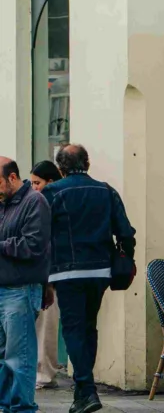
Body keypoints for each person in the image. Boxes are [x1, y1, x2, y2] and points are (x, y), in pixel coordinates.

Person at [43, 145, 136, 413]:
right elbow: (126, 233)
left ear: (60, 168)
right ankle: (83, 392)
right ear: (88, 163)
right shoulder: (106, 191)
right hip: (100, 271)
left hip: (66, 271)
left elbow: (43, 234)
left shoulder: (52, 192)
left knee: (72, 328)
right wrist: (124, 258)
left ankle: (88, 389)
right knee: (89, 326)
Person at [0, 159, 51, 413]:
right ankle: (6, 405)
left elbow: (33, 246)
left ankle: (21, 408)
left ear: (12, 178)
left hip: (19, 289)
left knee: (19, 356)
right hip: (4, 288)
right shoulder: (4, 203)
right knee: (3, 358)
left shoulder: (35, 202)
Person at [29, 161, 62, 391]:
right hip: (43, 272)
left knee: (47, 324)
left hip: (52, 273)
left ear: (50, 182)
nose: (34, 188)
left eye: (37, 183)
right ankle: (43, 371)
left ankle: (45, 373)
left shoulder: (51, 204)